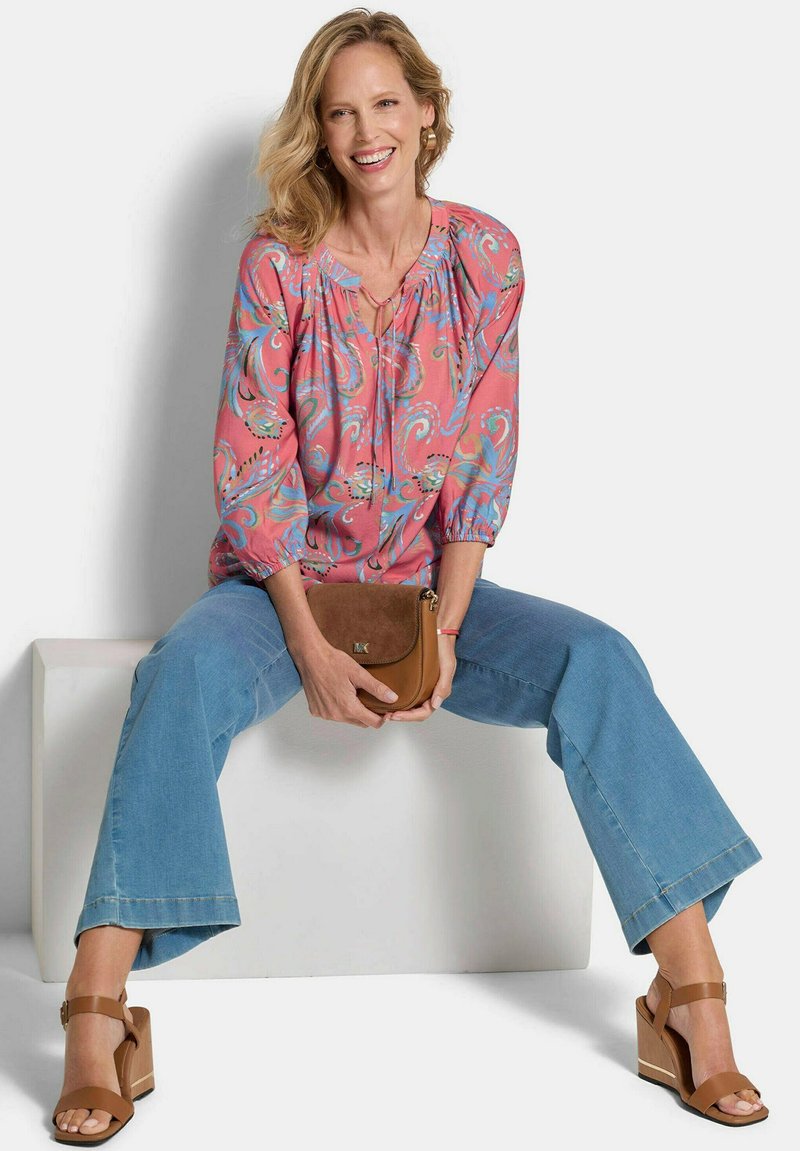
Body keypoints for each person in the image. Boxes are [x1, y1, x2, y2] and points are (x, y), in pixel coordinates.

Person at [52, 7, 768, 1142]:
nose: (364, 131)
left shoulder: (486, 257)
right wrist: (305, 643)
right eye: (339, 112)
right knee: (178, 675)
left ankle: (690, 996)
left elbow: (483, 454)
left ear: (427, 112)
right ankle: (99, 1014)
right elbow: (253, 458)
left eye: (385, 102)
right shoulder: (278, 261)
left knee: (599, 658)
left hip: (432, 588)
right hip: (281, 588)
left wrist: (445, 628)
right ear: (318, 129)